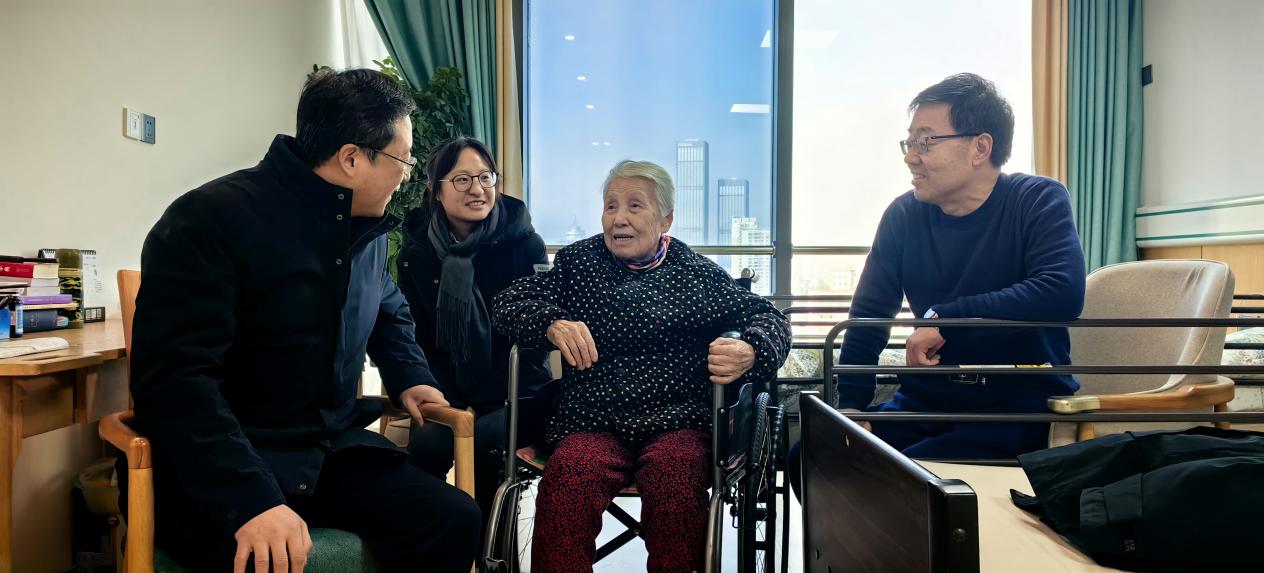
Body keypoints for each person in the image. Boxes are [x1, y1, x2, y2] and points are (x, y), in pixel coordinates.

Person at [128, 68, 480, 573]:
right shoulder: (207, 220)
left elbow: (389, 311)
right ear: (352, 158)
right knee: (266, 556)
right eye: (403, 160)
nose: (407, 176)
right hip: (225, 461)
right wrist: (250, 501)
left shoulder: (367, 229)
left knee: (453, 519)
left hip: (326, 452)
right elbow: (175, 381)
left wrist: (412, 377)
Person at [788, 73, 1086, 497]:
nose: (911, 157)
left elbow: (1061, 291)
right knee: (812, 455)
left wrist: (947, 318)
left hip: (1016, 404)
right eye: (909, 143)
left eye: (926, 141)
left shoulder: (1036, 199)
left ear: (980, 147)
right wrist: (853, 405)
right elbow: (870, 314)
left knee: (911, 480)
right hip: (927, 399)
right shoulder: (903, 216)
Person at [493, 160, 791, 573]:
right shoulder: (579, 264)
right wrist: (551, 323)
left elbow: (770, 317)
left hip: (678, 423)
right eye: (610, 206)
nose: (619, 218)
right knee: (569, 481)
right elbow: (510, 302)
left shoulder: (697, 275)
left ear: (665, 218)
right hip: (591, 421)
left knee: (675, 484)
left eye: (635, 205)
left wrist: (751, 351)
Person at [395, 136, 552, 523]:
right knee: (429, 441)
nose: (478, 189)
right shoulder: (417, 252)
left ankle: (487, 548)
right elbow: (417, 338)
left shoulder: (525, 245)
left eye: (486, 177)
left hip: (517, 390)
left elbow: (534, 344)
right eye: (462, 179)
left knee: (487, 438)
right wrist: (450, 398)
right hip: (447, 387)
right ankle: (431, 541)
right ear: (436, 189)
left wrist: (478, 400)